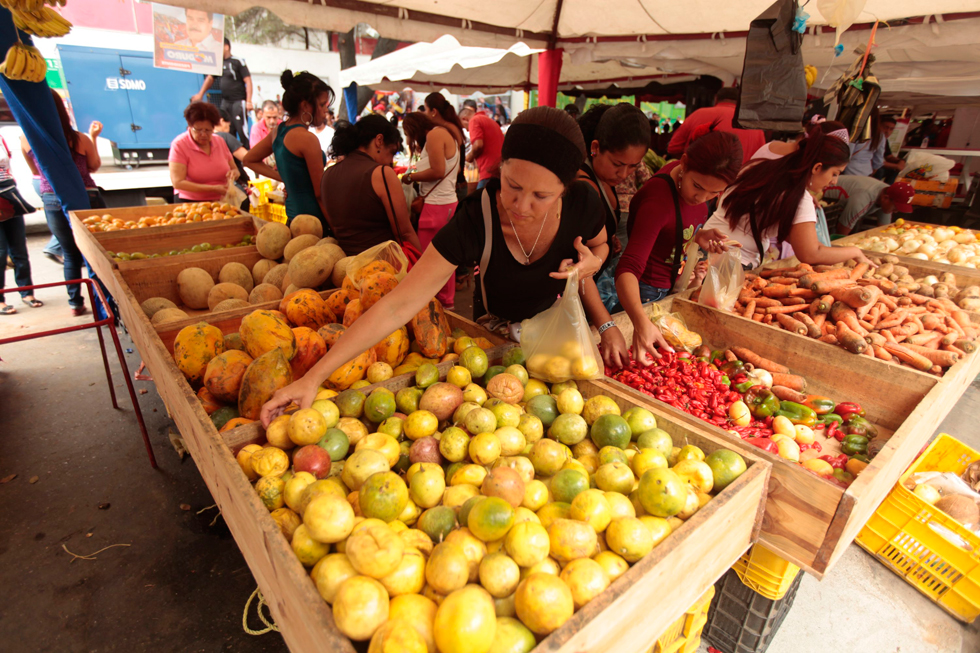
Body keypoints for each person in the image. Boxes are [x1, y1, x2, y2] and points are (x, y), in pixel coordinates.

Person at [261, 107, 610, 423]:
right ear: (499, 168)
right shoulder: (477, 216)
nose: (521, 205)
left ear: (564, 189)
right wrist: (312, 378)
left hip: (559, 339)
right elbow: (399, 304)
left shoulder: (583, 203)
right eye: (513, 186)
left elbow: (600, 245)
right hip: (496, 342)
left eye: (541, 196)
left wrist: (592, 264)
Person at [608, 130, 744, 365]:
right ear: (683, 164)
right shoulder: (657, 201)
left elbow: (670, 227)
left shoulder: (689, 182)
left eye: (714, 192)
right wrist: (641, 323)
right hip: (642, 295)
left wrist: (697, 235)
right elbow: (627, 269)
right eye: (697, 186)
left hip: (666, 290)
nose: (702, 197)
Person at [704, 129, 873, 268]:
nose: (834, 181)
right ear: (817, 167)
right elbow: (811, 253)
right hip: (731, 264)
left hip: (703, 250)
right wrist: (855, 252)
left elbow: (722, 203)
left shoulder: (759, 166)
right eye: (834, 173)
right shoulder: (800, 198)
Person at [22, 91, 104, 316]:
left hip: (52, 198)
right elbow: (94, 165)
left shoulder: (27, 138)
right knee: (95, 255)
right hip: (86, 197)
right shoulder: (79, 139)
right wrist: (93, 137)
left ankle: (75, 304)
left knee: (70, 253)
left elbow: (36, 172)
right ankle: (104, 306)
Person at [245, 71, 333, 231]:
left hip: (293, 218)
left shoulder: (278, 131)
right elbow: (320, 194)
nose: (325, 111)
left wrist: (284, 177)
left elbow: (249, 160)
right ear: (305, 105)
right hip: (313, 223)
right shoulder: (306, 138)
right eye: (321, 105)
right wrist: (337, 229)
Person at [322, 116, 419, 254]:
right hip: (380, 266)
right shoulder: (382, 174)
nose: (391, 162)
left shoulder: (328, 174)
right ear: (379, 141)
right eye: (392, 152)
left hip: (344, 266)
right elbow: (404, 233)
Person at [576, 104, 651, 267]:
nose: (624, 174)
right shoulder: (583, 187)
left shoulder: (602, 179)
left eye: (633, 166)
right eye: (617, 164)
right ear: (595, 148)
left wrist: (608, 240)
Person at [401, 112, 461, 308]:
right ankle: (445, 301)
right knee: (445, 257)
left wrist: (410, 177)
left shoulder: (435, 135)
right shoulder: (444, 133)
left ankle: (438, 302)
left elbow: (437, 171)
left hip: (437, 206)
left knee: (428, 259)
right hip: (445, 204)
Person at [668, 87, 765, 166]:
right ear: (740, 102)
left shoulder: (699, 113)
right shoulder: (753, 124)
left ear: (716, 99)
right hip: (739, 185)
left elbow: (673, 148)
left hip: (699, 183)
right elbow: (760, 161)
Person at [0, 137, 40, 315]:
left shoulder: (1, 139)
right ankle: (0, 299)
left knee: (19, 250)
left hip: (9, 197)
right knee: (0, 253)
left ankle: (27, 292)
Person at [169, 102, 236, 203]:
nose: (203, 134)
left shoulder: (220, 141)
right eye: (198, 130)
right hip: (190, 202)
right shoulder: (179, 145)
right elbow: (178, 182)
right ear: (189, 126)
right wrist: (213, 188)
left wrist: (234, 173)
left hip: (222, 200)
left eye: (208, 130)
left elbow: (234, 169)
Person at [190, 37, 249, 145]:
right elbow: (210, 78)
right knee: (225, 129)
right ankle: (230, 156)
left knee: (242, 131)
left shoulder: (237, 61)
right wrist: (200, 94)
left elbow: (248, 81)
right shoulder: (219, 64)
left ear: (226, 47)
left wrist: (249, 101)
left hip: (238, 102)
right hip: (225, 102)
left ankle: (247, 157)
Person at [834, 177, 915, 235]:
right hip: (826, 203)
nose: (896, 211)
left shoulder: (886, 194)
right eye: (895, 208)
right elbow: (839, 235)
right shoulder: (864, 197)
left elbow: (884, 231)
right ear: (885, 198)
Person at [459, 105, 504, 190]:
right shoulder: (487, 119)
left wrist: (469, 157)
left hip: (488, 171)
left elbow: (478, 145)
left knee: (479, 201)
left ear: (464, 119)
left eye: (464, 127)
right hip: (498, 169)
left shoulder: (474, 120)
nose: (467, 130)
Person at [215, 108, 249, 187]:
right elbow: (247, 157)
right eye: (229, 125)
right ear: (222, 121)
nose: (229, 128)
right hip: (236, 184)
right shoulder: (224, 137)